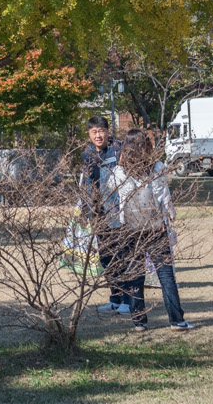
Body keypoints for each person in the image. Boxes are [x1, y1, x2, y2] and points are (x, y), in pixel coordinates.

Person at [103, 130, 193, 332]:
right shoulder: (157, 168)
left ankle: (139, 322)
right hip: (155, 228)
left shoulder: (119, 172)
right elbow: (164, 198)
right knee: (166, 276)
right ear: (147, 147)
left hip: (130, 229)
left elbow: (110, 192)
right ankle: (176, 320)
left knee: (135, 276)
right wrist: (170, 217)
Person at [81, 115, 129, 316]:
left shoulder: (118, 150)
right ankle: (115, 298)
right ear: (89, 134)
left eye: (101, 131)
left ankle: (128, 299)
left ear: (108, 131)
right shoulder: (88, 154)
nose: (98, 135)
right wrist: (85, 210)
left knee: (123, 256)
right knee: (107, 257)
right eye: (94, 132)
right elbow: (85, 184)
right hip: (98, 213)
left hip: (118, 211)